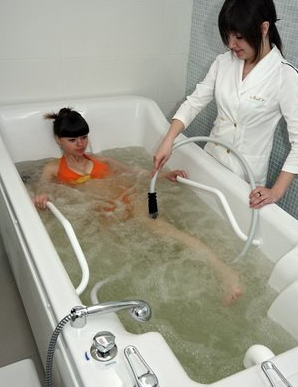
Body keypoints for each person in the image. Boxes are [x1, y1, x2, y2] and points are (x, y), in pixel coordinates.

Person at [32, 108, 242, 304]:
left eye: (84, 137)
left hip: (129, 200)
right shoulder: (53, 168)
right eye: (72, 140)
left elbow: (135, 172)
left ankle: (224, 271)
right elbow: (41, 188)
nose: (80, 144)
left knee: (165, 230)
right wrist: (42, 196)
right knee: (119, 255)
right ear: (58, 140)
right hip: (103, 212)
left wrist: (165, 175)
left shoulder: (101, 160)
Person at [153, 0, 298, 209]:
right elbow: (194, 102)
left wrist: (276, 191)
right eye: (227, 36)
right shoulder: (223, 63)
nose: (231, 44)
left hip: (245, 179)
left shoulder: (285, 76)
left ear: (264, 28)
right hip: (210, 163)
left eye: (238, 36)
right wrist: (168, 141)